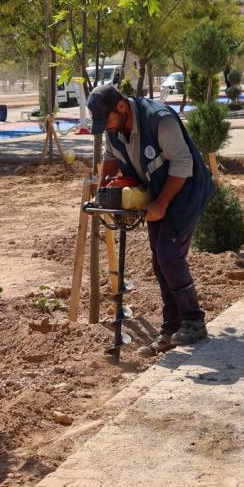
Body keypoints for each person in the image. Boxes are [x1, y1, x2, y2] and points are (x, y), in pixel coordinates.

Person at [86, 83, 215, 354]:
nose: (105, 128)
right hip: (157, 191)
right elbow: (111, 158)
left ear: (121, 106)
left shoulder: (160, 120)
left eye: (105, 120)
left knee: (169, 255)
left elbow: (182, 165)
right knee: (159, 258)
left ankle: (194, 321)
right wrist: (103, 194)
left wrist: (161, 203)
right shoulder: (113, 127)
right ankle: (171, 328)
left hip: (185, 189)